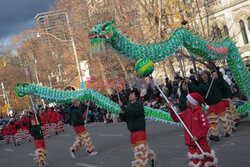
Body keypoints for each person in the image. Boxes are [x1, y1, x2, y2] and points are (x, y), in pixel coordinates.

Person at [167, 92, 217, 167]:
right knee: (195, 164)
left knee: (205, 163)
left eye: (187, 100)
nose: (186, 101)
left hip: (200, 144)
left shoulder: (200, 112)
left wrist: (197, 136)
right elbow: (177, 118)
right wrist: (171, 109)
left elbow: (205, 127)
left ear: (192, 102)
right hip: (191, 145)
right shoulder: (187, 111)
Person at [119, 90, 156, 167]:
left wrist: (123, 107)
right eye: (130, 94)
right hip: (132, 133)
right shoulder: (129, 107)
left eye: (132, 94)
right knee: (137, 150)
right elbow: (125, 119)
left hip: (140, 132)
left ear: (136, 97)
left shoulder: (139, 105)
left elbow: (133, 113)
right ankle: (150, 156)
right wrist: (120, 114)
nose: (130, 95)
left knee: (140, 152)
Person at [187, 70, 226, 141]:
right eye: (202, 75)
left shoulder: (213, 81)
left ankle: (226, 131)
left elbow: (221, 82)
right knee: (212, 120)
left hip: (218, 102)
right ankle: (215, 134)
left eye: (205, 74)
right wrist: (189, 84)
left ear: (208, 75)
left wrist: (218, 73)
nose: (204, 76)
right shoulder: (201, 86)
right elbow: (198, 91)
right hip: (210, 104)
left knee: (223, 118)